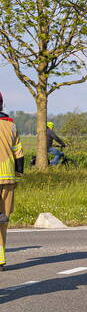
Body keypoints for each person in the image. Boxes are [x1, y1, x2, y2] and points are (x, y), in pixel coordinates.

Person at [0, 92, 25, 271]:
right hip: (7, 177)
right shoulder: (12, 126)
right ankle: (0, 258)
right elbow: (19, 154)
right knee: (3, 219)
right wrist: (19, 173)